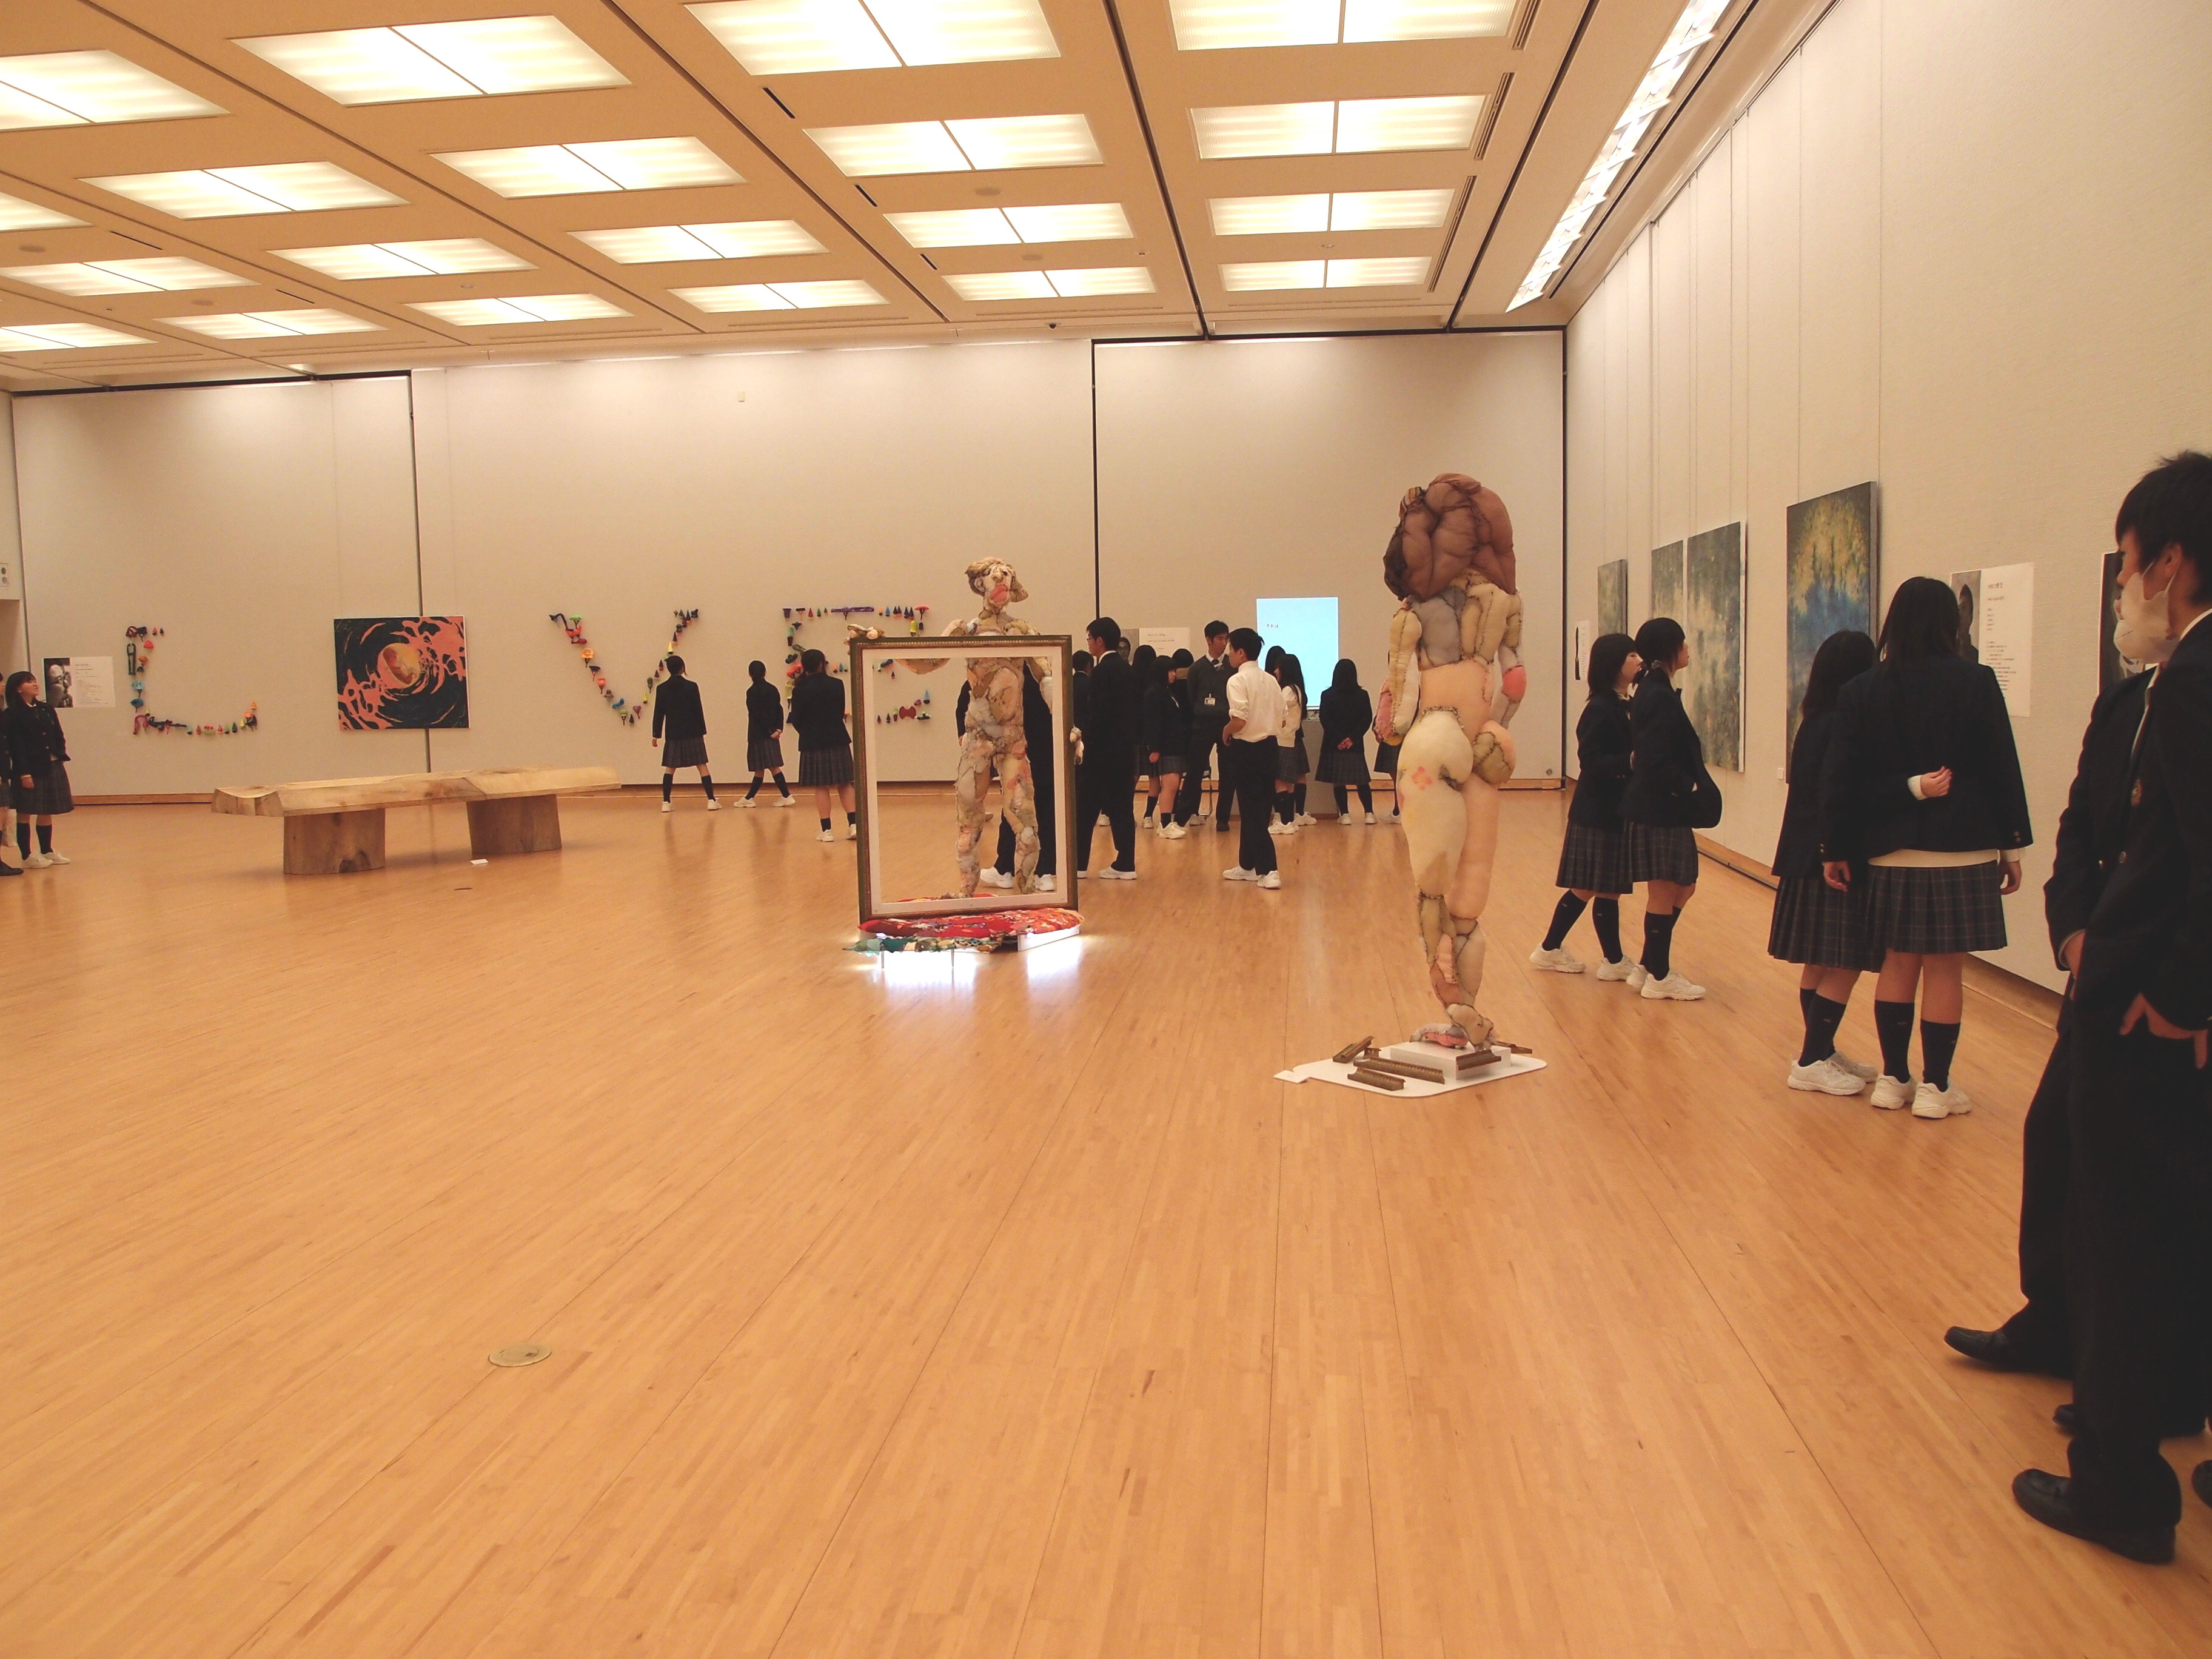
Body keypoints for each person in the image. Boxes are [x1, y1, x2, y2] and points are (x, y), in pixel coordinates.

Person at [2012, 451, 2212, 1564]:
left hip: (2144, 1015)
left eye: (2130, 566)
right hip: (2139, 995)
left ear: (2171, 564)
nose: (2126, 587)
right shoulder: (2162, 685)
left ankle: (2121, 1485)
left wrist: (2177, 996)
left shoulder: (2191, 681)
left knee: (2126, 1238)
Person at [1944, 536, 2167, 1381]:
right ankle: (2055, 1321)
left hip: (2157, 975)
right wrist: (2072, 929)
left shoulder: (2188, 701)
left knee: (2136, 1176)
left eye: (2130, 566)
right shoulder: (2128, 701)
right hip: (2097, 964)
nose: (2120, 587)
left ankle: (2136, 1370)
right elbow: (2080, 822)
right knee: (2057, 1138)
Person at [1820, 577, 2031, 1119]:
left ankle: (1893, 1080)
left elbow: (1841, 779)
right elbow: (2002, 768)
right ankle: (1936, 1087)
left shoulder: (1862, 690)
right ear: (1950, 623)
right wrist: (2012, 848)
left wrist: (1833, 847)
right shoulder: (1976, 681)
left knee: (1897, 961)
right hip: (1964, 847)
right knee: (1944, 968)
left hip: (1890, 848)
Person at [1765, 630, 1883, 1092]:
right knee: (1845, 960)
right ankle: (1812, 1058)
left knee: (1820, 958)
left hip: (1806, 853)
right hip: (1829, 857)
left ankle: (1821, 1048)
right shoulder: (1842, 724)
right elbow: (1840, 796)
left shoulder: (1815, 720)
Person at [1531, 631, 1639, 978]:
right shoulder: (1601, 708)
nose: (1639, 661)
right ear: (1614, 664)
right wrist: (1629, 762)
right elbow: (1591, 761)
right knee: (1587, 887)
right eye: (1632, 656)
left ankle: (1613, 960)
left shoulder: (1624, 704)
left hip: (1614, 809)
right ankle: (1549, 949)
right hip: (1598, 810)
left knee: (1609, 888)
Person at [1618, 618, 1709, 1000]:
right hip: (1659, 807)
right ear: (1669, 649)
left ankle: (1647, 964)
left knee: (1683, 886)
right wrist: (1688, 785)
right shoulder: (1656, 693)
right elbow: (1653, 757)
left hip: (1659, 806)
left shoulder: (1655, 690)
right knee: (1665, 889)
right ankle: (1659, 975)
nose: (1688, 649)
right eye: (1682, 643)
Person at [1074, 617, 1138, 880]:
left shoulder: (1102, 671)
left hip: (1101, 754)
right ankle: (1126, 863)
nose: (1089, 643)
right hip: (1125, 752)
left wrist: (1085, 741)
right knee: (1122, 808)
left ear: (1100, 640)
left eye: (1090, 638)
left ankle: (1078, 865)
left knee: (1086, 808)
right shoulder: (1127, 669)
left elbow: (1098, 715)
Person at [1222, 627, 1282, 889]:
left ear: (1241, 652)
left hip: (1247, 750)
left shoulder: (1237, 681)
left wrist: (1225, 731)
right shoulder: (1271, 680)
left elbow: (1240, 719)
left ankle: (1269, 870)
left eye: (1230, 649)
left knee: (1253, 812)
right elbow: (1282, 718)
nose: (1228, 654)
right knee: (1257, 809)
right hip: (1270, 749)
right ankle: (1247, 865)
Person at [5, 669, 73, 868]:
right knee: (26, 810)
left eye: (35, 681)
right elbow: (17, 746)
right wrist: (24, 773)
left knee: (47, 809)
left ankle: (47, 850)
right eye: (29, 682)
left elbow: (58, 734)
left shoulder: (46, 709)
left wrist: (60, 752)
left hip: (52, 763)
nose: (35, 684)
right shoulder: (13, 714)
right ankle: (27, 855)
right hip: (30, 768)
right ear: (18, 688)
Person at [788, 650, 856, 842]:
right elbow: (840, 711)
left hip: (812, 741)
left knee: (820, 786)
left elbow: (796, 719)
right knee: (845, 783)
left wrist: (808, 732)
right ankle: (854, 825)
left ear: (804, 666)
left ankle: (827, 831)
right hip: (837, 737)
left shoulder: (799, 690)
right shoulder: (837, 685)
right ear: (822, 664)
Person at [651, 654, 717, 813]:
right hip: (693, 732)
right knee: (702, 766)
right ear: (682, 668)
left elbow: (659, 713)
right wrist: (702, 731)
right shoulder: (692, 687)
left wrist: (656, 735)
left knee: (670, 768)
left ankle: (666, 802)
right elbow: (698, 710)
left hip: (674, 733)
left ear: (669, 669)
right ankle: (711, 800)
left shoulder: (662, 689)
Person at [1187, 622, 1234, 831]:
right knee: (1195, 771)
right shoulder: (1197, 668)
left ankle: (1223, 818)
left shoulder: (1232, 667)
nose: (1224, 643)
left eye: (1226, 639)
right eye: (1220, 639)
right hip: (1202, 725)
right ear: (1208, 640)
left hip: (1226, 724)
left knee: (1228, 772)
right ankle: (1187, 814)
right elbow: (1191, 698)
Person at [1316, 659, 1374, 823]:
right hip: (1355, 746)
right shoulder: (1362, 695)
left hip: (1334, 745)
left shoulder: (1327, 695)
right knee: (1362, 781)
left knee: (1338, 781)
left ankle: (1345, 815)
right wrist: (1352, 739)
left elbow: (1325, 719)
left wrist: (1339, 739)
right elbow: (1367, 719)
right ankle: (1369, 814)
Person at [1144, 649, 1193, 838]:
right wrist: (1155, 748)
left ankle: (1167, 822)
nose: (1174, 674)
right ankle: (1165, 824)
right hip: (1165, 748)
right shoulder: (1154, 693)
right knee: (1170, 785)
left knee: (1173, 785)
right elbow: (1153, 723)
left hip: (1175, 746)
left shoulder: (1168, 692)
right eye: (1171, 671)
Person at [741, 659, 794, 806]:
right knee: (763, 767)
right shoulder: (772, 689)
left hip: (759, 734)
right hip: (772, 733)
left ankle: (787, 796)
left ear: (750, 674)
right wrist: (778, 729)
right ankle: (749, 798)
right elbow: (779, 709)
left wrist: (769, 730)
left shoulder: (751, 692)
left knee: (769, 767)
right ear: (765, 672)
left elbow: (756, 714)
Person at [1269, 649, 1310, 833]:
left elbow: (1276, 711)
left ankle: (1285, 822)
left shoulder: (1288, 691)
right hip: (1289, 740)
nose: (1275, 671)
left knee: (1279, 782)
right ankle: (1290, 820)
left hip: (1281, 740)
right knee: (1289, 784)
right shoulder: (1297, 690)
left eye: (1278, 668)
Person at [1129, 642, 1159, 822]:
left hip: (1133, 735)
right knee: (1154, 777)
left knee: (1132, 777)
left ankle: (1127, 815)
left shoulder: (1130, 680)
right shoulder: (1156, 685)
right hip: (1151, 735)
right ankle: (1148, 816)